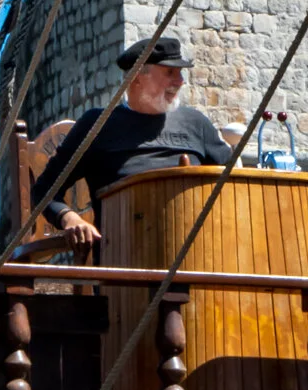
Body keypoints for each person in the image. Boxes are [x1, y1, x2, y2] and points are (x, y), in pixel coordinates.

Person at [31, 36, 231, 248]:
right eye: (170, 72)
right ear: (137, 78)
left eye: (180, 73)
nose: (180, 81)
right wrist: (70, 218)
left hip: (200, 254)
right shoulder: (97, 125)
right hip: (126, 258)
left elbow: (234, 181)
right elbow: (45, 189)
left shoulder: (196, 123)